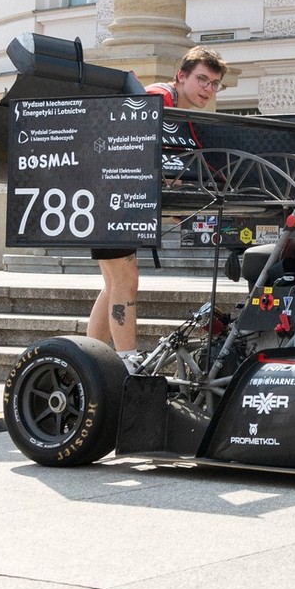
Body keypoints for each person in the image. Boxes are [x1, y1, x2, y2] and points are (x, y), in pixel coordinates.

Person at [86, 46, 227, 367]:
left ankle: (88, 358)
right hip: (109, 195)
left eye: (214, 83)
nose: (208, 88)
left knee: (114, 285)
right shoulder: (157, 98)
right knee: (126, 279)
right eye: (202, 79)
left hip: (117, 197)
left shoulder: (182, 114)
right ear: (181, 76)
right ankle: (126, 359)